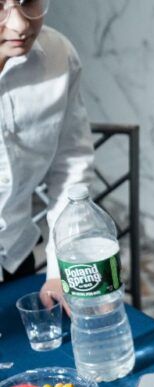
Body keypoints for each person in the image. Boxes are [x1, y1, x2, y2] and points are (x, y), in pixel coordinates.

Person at [0, 0, 93, 304]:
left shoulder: (58, 55)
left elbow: (71, 165)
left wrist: (60, 267)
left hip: (15, 254)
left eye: (28, 2)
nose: (20, 25)